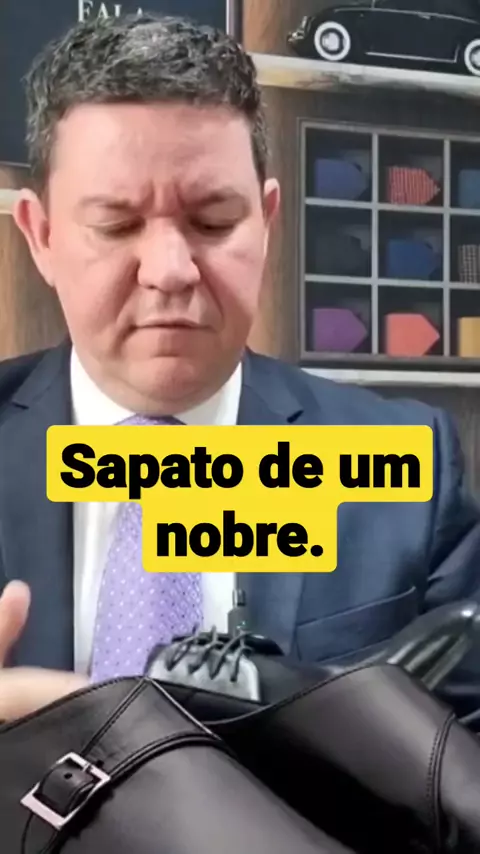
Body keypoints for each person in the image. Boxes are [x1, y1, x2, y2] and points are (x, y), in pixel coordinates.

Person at [0, 12, 479, 727]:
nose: (170, 270)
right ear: (40, 236)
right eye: (117, 225)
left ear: (267, 220)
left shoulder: (409, 468)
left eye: (214, 221)